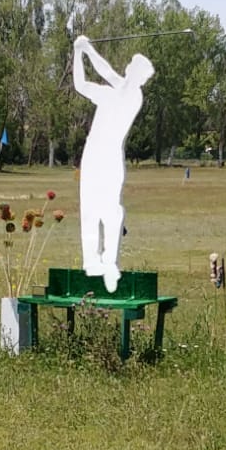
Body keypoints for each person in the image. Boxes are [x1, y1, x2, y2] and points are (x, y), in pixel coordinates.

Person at [71, 35, 151, 292]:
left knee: (111, 211)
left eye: (133, 68)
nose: (127, 70)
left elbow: (105, 71)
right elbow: (80, 84)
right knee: (89, 211)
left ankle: (109, 262)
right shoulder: (107, 94)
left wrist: (87, 49)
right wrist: (77, 54)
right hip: (92, 155)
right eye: (130, 66)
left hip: (109, 158)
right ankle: (91, 262)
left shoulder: (132, 96)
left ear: (139, 77)